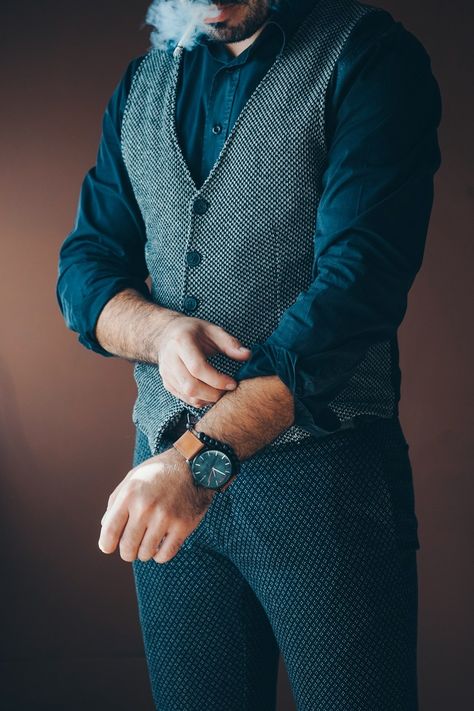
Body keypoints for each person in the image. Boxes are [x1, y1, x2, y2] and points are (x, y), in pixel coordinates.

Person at [56, 0, 442, 708]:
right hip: (164, 477)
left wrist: (198, 464)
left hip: (324, 481)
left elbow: (356, 292)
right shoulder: (140, 86)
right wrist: (160, 331)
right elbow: (85, 268)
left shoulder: (370, 58)